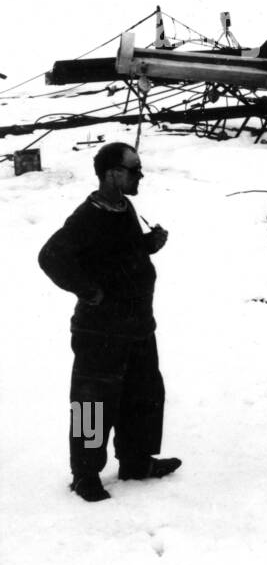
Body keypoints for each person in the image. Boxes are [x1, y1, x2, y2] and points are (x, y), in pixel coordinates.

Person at [38, 142, 181, 502]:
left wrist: (148, 244)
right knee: (92, 403)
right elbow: (50, 257)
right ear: (113, 174)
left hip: (137, 327)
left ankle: (136, 460)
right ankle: (85, 474)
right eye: (134, 169)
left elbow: (116, 252)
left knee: (143, 395)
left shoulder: (124, 207)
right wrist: (90, 292)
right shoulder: (87, 217)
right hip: (99, 332)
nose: (140, 175)